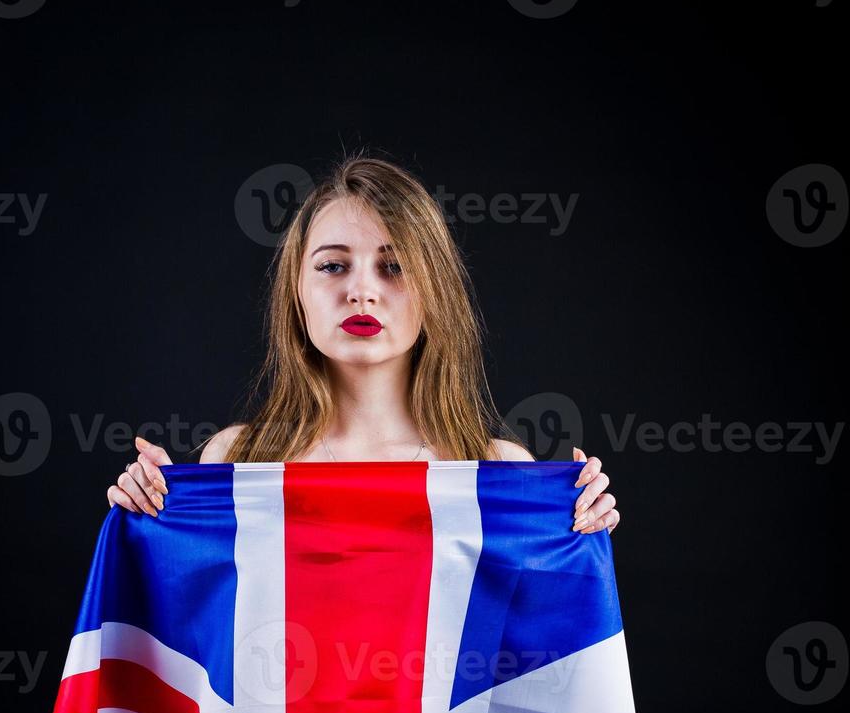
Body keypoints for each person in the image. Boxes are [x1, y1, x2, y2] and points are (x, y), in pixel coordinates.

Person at [106, 154, 619, 535]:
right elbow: (195, 633)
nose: (362, 291)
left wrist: (578, 535)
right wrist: (148, 519)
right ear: (297, 292)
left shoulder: (502, 471)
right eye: (333, 265)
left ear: (433, 291)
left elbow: (531, 653)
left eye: (394, 267)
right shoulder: (238, 458)